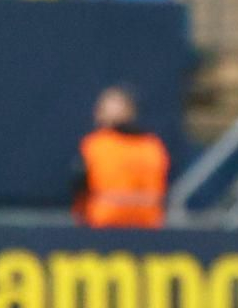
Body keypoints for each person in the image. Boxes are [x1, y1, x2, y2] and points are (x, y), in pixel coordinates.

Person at [72, 85, 171, 228]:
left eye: (103, 110)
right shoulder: (153, 146)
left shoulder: (96, 145)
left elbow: (79, 186)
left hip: (106, 225)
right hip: (148, 225)